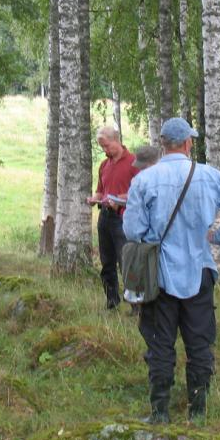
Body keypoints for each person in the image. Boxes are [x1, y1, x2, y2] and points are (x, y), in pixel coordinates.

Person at [123, 117, 220, 424]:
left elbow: (132, 230)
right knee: (199, 345)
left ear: (163, 144)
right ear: (187, 143)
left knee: (159, 343)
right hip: (199, 271)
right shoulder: (208, 176)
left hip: (159, 277)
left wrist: (152, 237)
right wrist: (218, 235)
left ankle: (159, 414)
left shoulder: (144, 180)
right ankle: (197, 414)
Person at [86, 126, 140, 310]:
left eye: (107, 146)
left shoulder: (134, 163)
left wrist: (118, 198)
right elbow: (101, 190)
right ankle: (111, 301)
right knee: (106, 261)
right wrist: (96, 199)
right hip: (105, 217)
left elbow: (139, 193)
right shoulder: (103, 165)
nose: (105, 150)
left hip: (124, 218)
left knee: (127, 262)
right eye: (102, 147)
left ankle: (136, 306)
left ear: (116, 140)